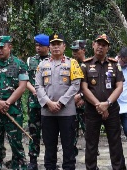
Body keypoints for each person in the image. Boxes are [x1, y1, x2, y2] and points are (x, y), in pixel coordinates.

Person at [34, 34, 83, 170]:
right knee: (49, 145)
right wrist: (48, 103)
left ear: (64, 46)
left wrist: (61, 103)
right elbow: (38, 86)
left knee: (68, 145)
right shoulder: (42, 65)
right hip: (47, 112)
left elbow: (75, 85)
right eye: (53, 44)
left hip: (67, 112)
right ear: (49, 46)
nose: (56, 47)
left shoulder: (72, 63)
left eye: (58, 44)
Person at [0, 35, 29, 170]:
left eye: (2, 47)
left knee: (16, 143)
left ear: (10, 47)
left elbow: (22, 86)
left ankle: (18, 166)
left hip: (13, 111)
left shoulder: (19, 64)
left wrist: (7, 103)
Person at [81, 33, 126, 170]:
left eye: (104, 45)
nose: (100, 47)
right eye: (98, 44)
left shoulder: (114, 64)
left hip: (111, 109)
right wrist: (98, 105)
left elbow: (119, 86)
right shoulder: (85, 65)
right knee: (91, 142)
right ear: (93, 45)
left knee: (115, 141)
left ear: (108, 48)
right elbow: (84, 88)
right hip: (92, 109)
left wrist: (107, 104)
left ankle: (118, 168)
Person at [26, 34, 49, 170]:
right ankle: (33, 160)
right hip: (34, 103)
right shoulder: (31, 60)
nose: (38, 48)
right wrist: (34, 91)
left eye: (41, 45)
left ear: (47, 47)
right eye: (36, 45)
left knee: (49, 133)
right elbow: (26, 79)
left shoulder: (53, 59)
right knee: (34, 132)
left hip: (48, 103)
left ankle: (49, 159)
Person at [70, 39, 87, 155]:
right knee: (71, 131)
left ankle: (92, 153)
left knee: (89, 131)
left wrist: (82, 97)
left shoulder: (90, 64)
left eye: (77, 50)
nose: (74, 53)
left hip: (87, 105)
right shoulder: (69, 64)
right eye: (73, 50)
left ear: (83, 50)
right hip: (71, 105)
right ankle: (72, 155)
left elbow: (94, 86)